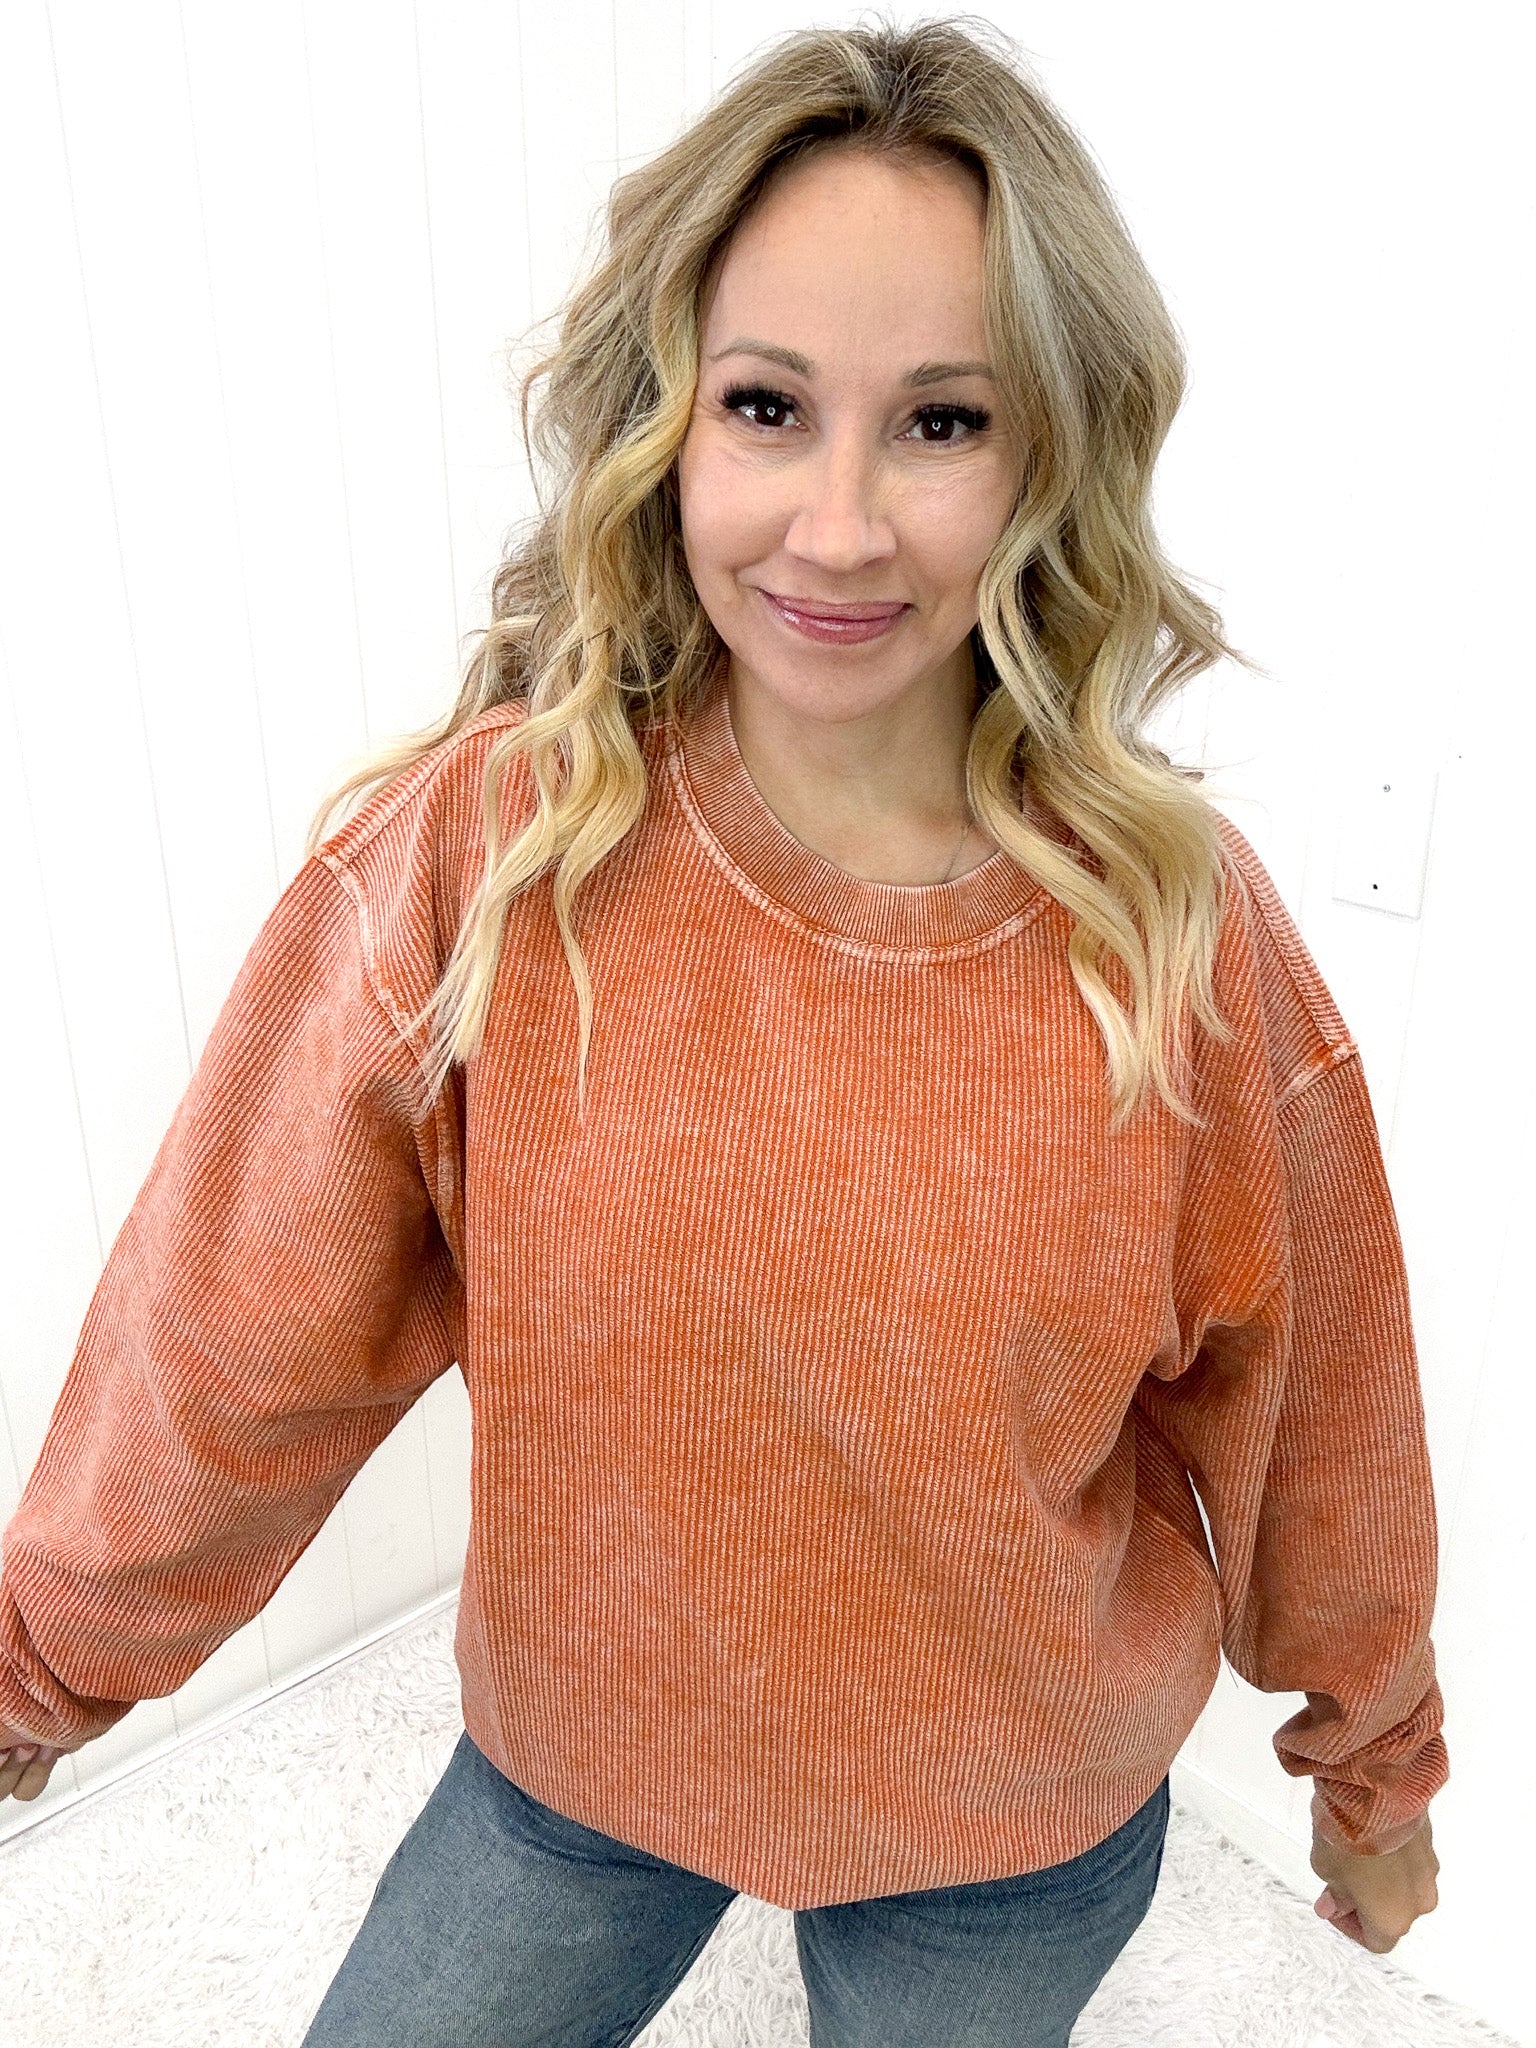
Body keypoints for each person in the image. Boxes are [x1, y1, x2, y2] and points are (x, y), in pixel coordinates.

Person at [0, 14, 1444, 2043]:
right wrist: (36, 1673)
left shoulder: (1178, 940)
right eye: (767, 406)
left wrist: (1376, 1778)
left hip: (1011, 1822)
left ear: (1052, 454)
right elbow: (235, 1332)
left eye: (942, 422)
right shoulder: (497, 853)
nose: (837, 526)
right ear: (667, 423)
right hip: (583, 1761)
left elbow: (1325, 1418)